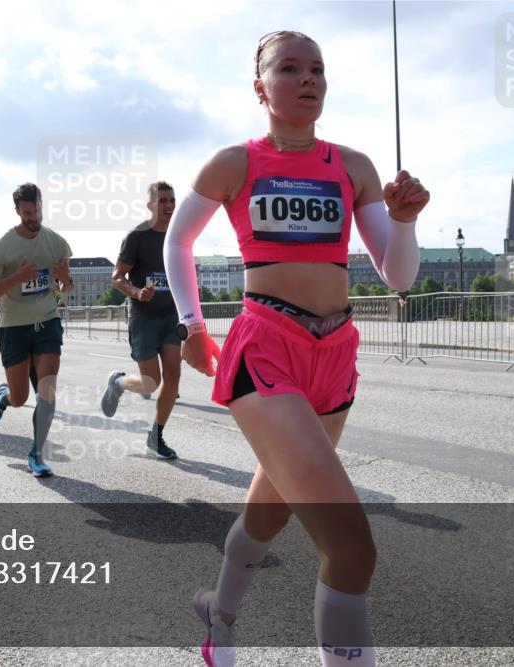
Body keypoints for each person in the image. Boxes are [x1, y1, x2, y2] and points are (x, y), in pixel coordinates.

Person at [164, 31, 427, 667]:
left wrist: (407, 220)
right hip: (266, 348)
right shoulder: (234, 162)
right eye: (289, 68)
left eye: (317, 69)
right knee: (352, 548)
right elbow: (179, 243)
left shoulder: (354, 167)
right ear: (261, 87)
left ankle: (219, 619)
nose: (308, 79)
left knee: (271, 508)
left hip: (334, 352)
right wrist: (194, 325)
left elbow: (398, 276)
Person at [0, 183, 73, 477]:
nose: (34, 217)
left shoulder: (56, 243)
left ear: (42, 205)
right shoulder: (4, 247)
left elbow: (65, 290)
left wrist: (64, 281)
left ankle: (37, 454)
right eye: (27, 212)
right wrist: (17, 277)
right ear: (18, 211)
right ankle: (4, 397)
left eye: (37, 210)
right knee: (20, 398)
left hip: (47, 321)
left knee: (47, 391)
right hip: (13, 327)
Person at [99, 181, 181, 460]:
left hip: (170, 315)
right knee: (151, 382)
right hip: (143, 317)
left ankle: (156, 436)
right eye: (163, 201)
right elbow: (117, 276)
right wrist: (136, 292)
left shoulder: (178, 235)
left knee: (174, 376)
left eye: (172, 200)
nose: (169, 206)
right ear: (150, 206)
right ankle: (118, 383)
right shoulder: (136, 237)